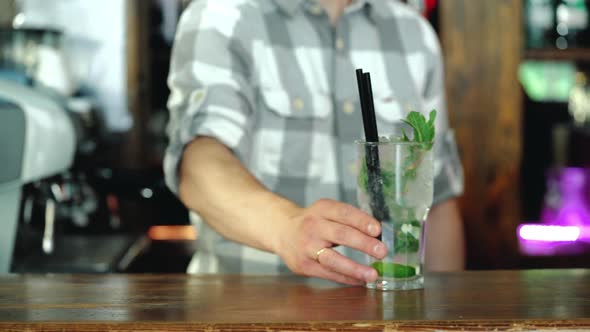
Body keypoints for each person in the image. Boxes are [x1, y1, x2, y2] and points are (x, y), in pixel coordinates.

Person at [164, 0, 465, 285]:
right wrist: (287, 227)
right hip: (251, 313)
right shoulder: (222, 15)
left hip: (385, 317)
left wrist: (442, 319)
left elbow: (436, 200)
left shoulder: (414, 34)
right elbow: (199, 163)